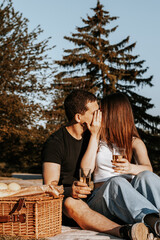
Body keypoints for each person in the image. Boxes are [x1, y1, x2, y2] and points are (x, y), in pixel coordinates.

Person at [42, 89, 150, 240]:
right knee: (72, 204)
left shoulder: (96, 135)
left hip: (96, 197)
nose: (100, 116)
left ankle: (152, 219)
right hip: (70, 200)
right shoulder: (55, 143)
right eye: (95, 112)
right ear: (79, 117)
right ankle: (123, 231)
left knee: (140, 179)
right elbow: (48, 186)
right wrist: (69, 190)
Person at [81, 92, 160, 239]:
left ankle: (156, 221)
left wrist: (131, 168)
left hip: (128, 202)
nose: (99, 114)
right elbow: (86, 170)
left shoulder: (134, 142)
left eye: (102, 110)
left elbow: (149, 168)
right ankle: (154, 222)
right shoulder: (97, 138)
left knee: (146, 176)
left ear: (113, 114)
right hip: (102, 199)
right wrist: (94, 135)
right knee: (117, 182)